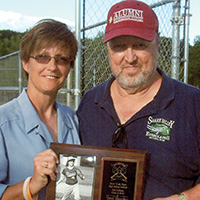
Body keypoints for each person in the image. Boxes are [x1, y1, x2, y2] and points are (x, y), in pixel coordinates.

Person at [76, 0, 200, 199]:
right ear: (108, 48)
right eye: (119, 47)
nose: (130, 57)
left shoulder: (193, 104)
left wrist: (182, 198)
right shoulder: (90, 102)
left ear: (157, 43)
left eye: (140, 45)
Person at [0, 19, 80, 200]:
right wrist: (32, 185)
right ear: (26, 63)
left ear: (69, 68)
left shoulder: (72, 118)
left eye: (61, 59)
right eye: (43, 57)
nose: (52, 66)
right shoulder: (3, 123)